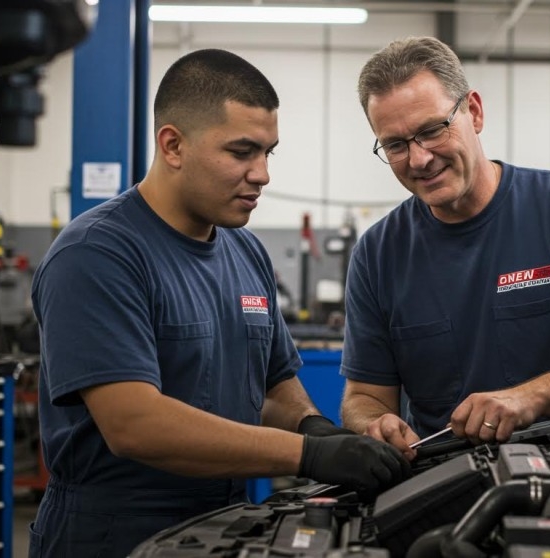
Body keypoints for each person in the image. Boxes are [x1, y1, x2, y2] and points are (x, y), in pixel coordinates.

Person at [29, 49, 410, 558]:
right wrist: (309, 453)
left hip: (221, 524)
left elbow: (274, 386)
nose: (262, 175)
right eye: (241, 151)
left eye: (268, 152)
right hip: (113, 529)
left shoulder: (243, 249)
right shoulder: (97, 254)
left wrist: (312, 424)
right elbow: (134, 426)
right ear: (173, 145)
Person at [340, 37, 550, 455]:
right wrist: (375, 423)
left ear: (473, 112)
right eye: (396, 145)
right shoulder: (377, 253)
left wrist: (530, 396)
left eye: (432, 130)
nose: (419, 159)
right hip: (442, 480)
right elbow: (364, 395)